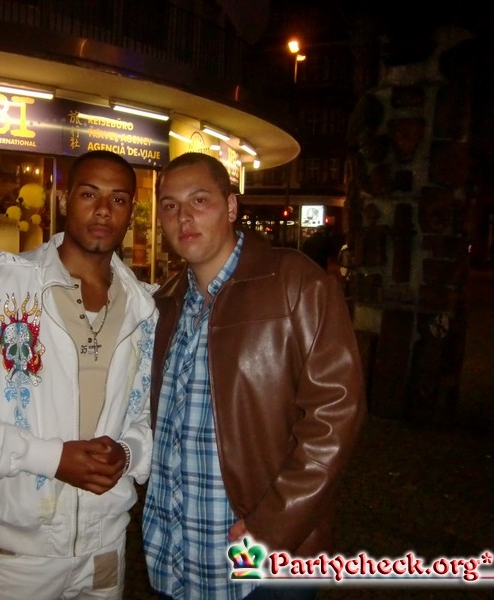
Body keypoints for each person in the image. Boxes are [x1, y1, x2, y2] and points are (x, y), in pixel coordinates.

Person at [0, 150, 157, 599]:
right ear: (64, 200)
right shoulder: (3, 291)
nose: (103, 210)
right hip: (20, 558)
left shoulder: (144, 309)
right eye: (89, 194)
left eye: (118, 199)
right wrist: (50, 458)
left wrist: (128, 453)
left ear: (131, 211)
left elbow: (147, 413)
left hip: (105, 547)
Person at [142, 153, 366, 600]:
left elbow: (336, 415)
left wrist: (274, 525)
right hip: (172, 550)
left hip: (262, 555)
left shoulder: (295, 283)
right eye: (169, 205)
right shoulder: (164, 303)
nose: (183, 216)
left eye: (199, 200)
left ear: (230, 206)